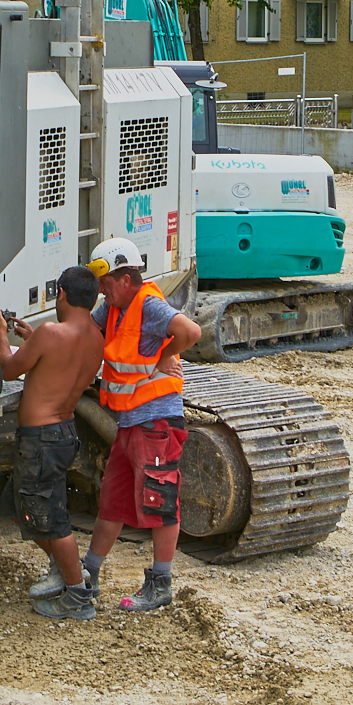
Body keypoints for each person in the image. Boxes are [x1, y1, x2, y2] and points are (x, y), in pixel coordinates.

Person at [81, 237, 202, 612]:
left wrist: (165, 356)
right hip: (131, 421)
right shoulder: (113, 308)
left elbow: (191, 333)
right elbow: (84, 332)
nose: (102, 291)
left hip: (155, 421)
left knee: (160, 500)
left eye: (106, 283)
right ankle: (88, 572)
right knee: (113, 500)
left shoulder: (148, 305)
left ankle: (161, 584)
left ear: (125, 278)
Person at [0, 266, 106, 621]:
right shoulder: (95, 338)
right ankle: (65, 569)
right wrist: (32, 340)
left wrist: (1, 335)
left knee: (53, 519)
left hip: (40, 438)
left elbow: (10, 369)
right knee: (15, 505)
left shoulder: (50, 332)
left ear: (61, 294)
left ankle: (77, 596)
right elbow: (57, 365)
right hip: (64, 432)